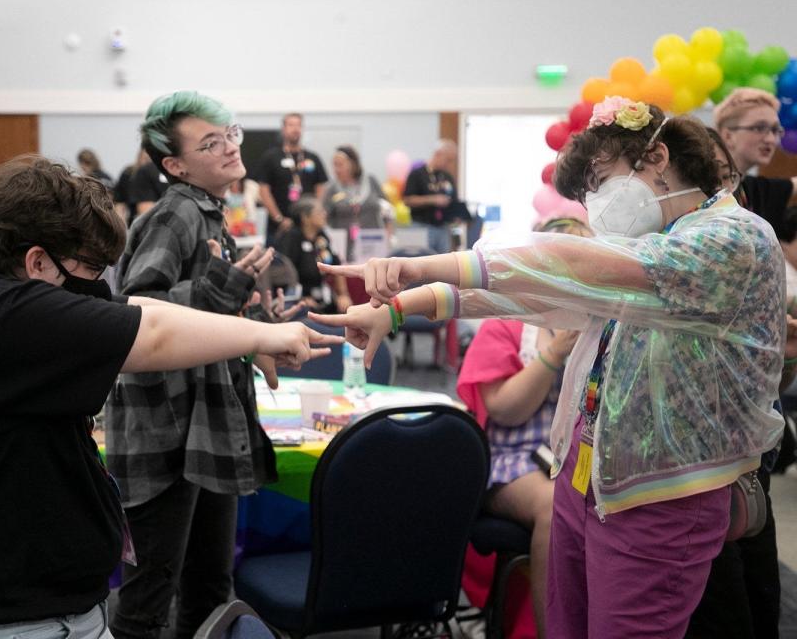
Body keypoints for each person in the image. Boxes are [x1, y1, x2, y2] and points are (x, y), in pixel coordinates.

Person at [313, 98, 785, 638]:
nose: (596, 204)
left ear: (656, 157)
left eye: (601, 182)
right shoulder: (654, 241)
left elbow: (558, 263)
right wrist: (400, 307)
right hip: (589, 477)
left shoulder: (733, 238)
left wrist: (415, 267)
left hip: (660, 497)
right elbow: (533, 295)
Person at [0, 154, 336, 639]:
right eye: (89, 270)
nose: (96, 287)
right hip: (7, 623)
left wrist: (245, 334)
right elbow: (153, 332)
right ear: (36, 262)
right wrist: (264, 338)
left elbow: (133, 308)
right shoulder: (8, 319)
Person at [106, 91, 307, 639]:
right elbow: (136, 313)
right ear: (174, 165)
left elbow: (208, 323)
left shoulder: (210, 215)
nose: (229, 148)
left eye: (231, 134)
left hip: (205, 427)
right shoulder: (174, 215)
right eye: (210, 142)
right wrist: (223, 291)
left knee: (210, 590)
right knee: (150, 598)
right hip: (166, 432)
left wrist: (256, 334)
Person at [457, 216, 591, 635]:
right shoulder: (507, 323)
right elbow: (505, 410)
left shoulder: (601, 325)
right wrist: (555, 354)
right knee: (556, 508)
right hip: (514, 462)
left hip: (580, 458)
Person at [683, 129, 790, 639]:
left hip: (746, 464)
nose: (723, 194)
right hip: (694, 474)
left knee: (759, 599)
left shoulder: (744, 232)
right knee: (719, 609)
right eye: (714, 182)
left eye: (729, 181)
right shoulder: (676, 252)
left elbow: (763, 384)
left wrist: (780, 360)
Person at [714, 88, 797, 235]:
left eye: (775, 130)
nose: (771, 139)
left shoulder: (753, 188)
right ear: (728, 135)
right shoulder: (702, 187)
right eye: (759, 128)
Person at [253, 113, 328, 243]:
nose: (295, 129)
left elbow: (321, 187)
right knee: (279, 262)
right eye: (291, 125)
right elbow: (263, 190)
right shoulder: (271, 157)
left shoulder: (312, 158)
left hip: (308, 227)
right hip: (279, 227)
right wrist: (278, 218)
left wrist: (313, 215)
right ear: (283, 129)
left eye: (298, 125)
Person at [275, 196, 352, 313]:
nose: (324, 214)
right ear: (305, 218)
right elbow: (284, 275)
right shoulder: (291, 238)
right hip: (298, 300)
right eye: (319, 212)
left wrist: (343, 294)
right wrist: (300, 299)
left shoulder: (321, 236)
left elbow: (337, 264)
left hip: (322, 295)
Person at [322, 145, 391, 262]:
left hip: (373, 243)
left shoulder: (370, 181)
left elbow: (387, 211)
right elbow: (323, 216)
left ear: (352, 164)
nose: (336, 169)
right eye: (334, 165)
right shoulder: (331, 189)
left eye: (340, 165)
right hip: (344, 248)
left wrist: (388, 235)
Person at [402, 140, 460, 254]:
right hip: (421, 226)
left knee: (443, 264)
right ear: (438, 154)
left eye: (451, 161)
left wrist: (458, 214)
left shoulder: (447, 177)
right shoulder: (417, 174)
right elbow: (407, 200)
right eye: (448, 160)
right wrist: (432, 200)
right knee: (421, 261)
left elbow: (454, 200)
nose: (449, 164)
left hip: (443, 228)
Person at [114, 148, 152, 226]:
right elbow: (119, 203)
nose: (148, 165)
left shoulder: (159, 177)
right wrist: (120, 225)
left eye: (150, 161)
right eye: (146, 159)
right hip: (133, 223)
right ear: (139, 158)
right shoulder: (127, 174)